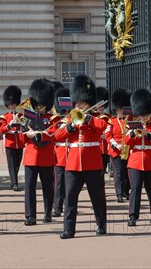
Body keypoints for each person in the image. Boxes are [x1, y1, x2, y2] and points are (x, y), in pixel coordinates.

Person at [55, 75, 108, 239]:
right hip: (73, 163)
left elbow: (102, 127)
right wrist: (71, 126)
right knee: (70, 198)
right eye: (77, 102)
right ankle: (69, 229)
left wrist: (88, 119)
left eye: (81, 102)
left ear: (88, 102)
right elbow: (57, 135)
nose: (78, 105)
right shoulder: (71, 117)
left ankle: (101, 225)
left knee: (97, 197)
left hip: (92, 163)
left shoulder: (96, 117)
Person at [125, 89, 151, 226]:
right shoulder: (133, 125)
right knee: (135, 188)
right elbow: (127, 142)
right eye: (140, 114)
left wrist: (148, 134)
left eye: (144, 114)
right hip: (135, 161)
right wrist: (133, 134)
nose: (142, 117)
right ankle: (133, 215)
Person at [23, 79, 57, 226]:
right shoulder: (28, 117)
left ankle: (48, 212)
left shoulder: (52, 119)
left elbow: (53, 134)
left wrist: (37, 133)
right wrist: (25, 133)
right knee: (29, 188)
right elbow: (20, 136)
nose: (39, 107)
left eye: (41, 105)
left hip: (46, 157)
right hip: (31, 157)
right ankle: (30, 216)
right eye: (37, 104)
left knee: (47, 187)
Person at [105, 88, 132, 202]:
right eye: (120, 109)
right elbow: (108, 135)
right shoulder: (111, 121)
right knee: (119, 172)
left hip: (127, 149)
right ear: (116, 109)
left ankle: (126, 191)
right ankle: (119, 194)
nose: (121, 111)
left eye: (123, 108)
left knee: (127, 173)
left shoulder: (130, 121)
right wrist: (116, 145)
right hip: (116, 150)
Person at [0, 85, 25, 192]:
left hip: (19, 141)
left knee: (17, 164)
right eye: (10, 105)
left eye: (13, 104)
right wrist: (9, 125)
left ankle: (13, 181)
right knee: (11, 165)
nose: (12, 106)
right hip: (10, 142)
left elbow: (24, 126)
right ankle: (14, 183)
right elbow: (1, 130)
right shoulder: (4, 117)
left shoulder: (21, 115)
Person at [52, 87, 69, 217]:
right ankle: (57, 206)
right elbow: (54, 136)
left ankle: (68, 204)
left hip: (72, 155)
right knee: (59, 183)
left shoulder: (74, 119)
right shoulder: (56, 121)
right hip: (60, 155)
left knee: (70, 185)